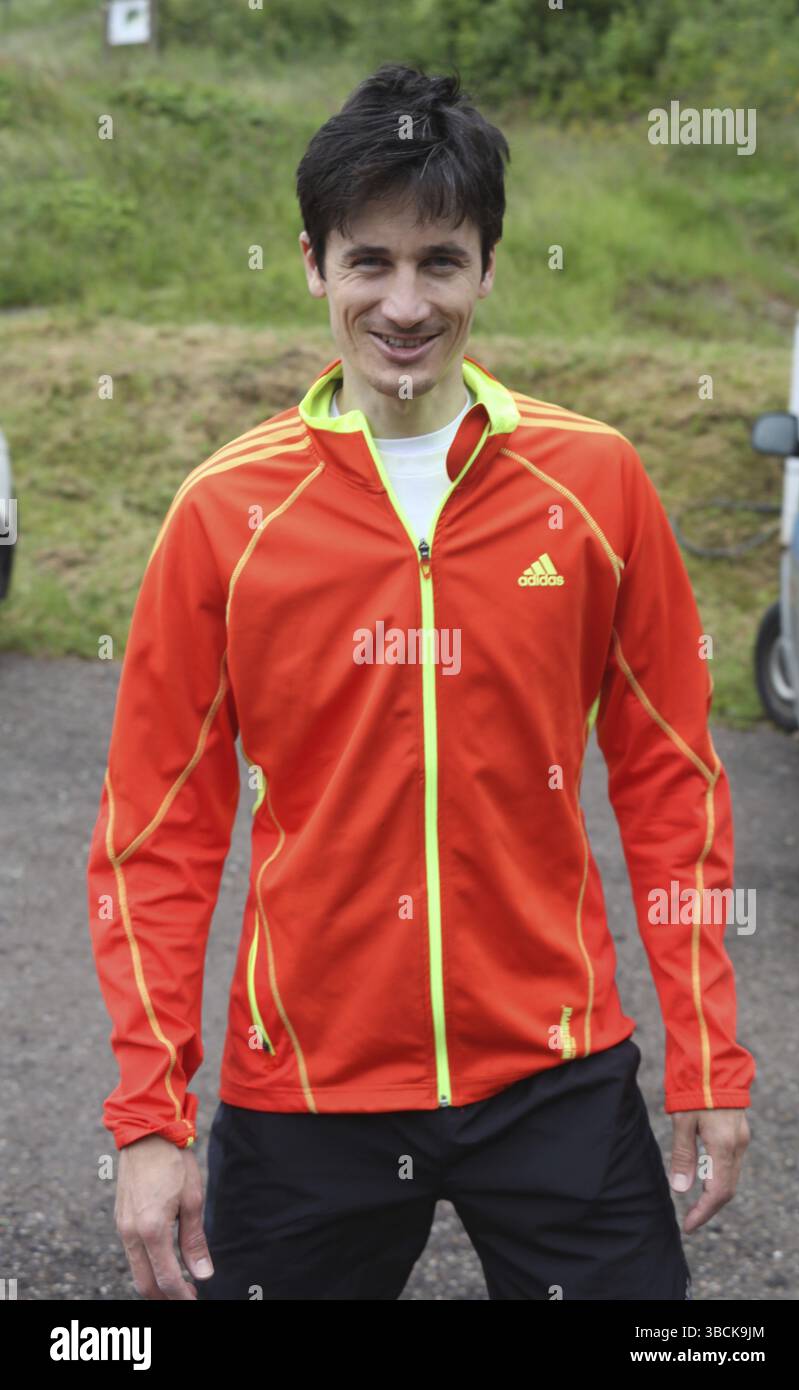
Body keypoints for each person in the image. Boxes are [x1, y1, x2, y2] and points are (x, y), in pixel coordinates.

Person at [86, 63, 754, 1301]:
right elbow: (155, 837)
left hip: (553, 1074)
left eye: (438, 261)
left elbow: (672, 781)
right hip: (308, 1090)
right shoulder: (225, 512)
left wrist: (708, 1056)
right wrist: (149, 1116)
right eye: (368, 261)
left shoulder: (593, 487)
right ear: (312, 265)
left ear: (488, 268)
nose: (403, 303)